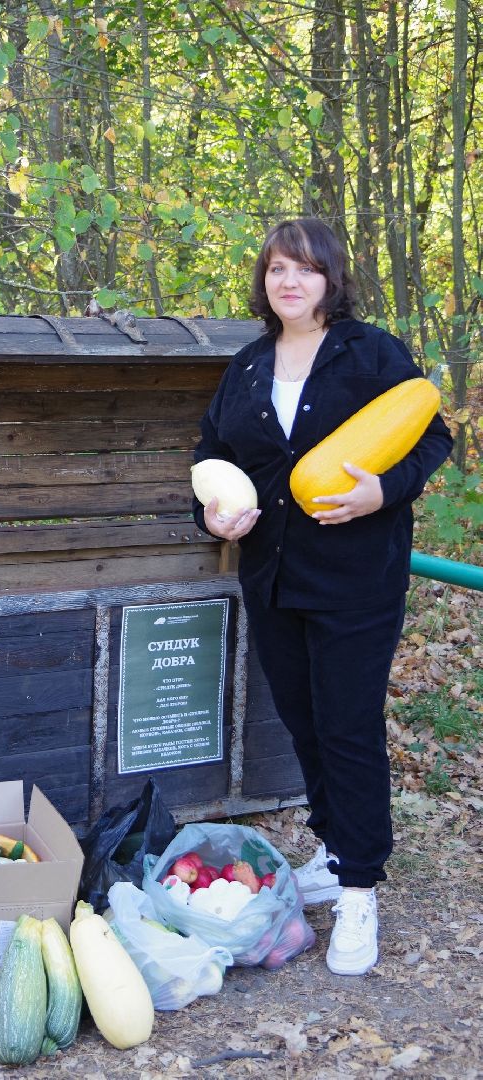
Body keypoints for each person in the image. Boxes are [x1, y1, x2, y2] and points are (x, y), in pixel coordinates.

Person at [192, 218, 453, 976]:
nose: (290, 283)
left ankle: (361, 888)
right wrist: (211, 508)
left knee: (347, 728)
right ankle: (336, 853)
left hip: (355, 579)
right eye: (277, 269)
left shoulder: (370, 352)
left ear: (331, 280)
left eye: (304, 269)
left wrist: (384, 492)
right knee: (304, 725)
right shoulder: (245, 366)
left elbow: (430, 437)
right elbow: (213, 453)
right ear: (263, 281)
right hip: (271, 576)